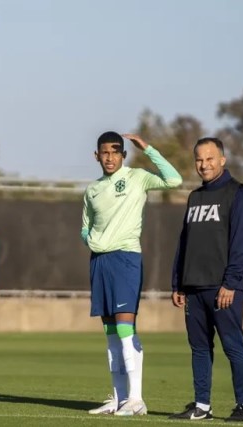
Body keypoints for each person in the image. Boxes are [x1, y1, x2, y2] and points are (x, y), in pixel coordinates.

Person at [82, 131, 183, 416]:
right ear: (96, 156)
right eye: (105, 152)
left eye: (115, 152)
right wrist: (90, 240)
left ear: (124, 155)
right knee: (111, 334)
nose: (110, 157)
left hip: (126, 259)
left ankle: (137, 399)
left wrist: (148, 149)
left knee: (126, 330)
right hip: (99, 262)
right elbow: (85, 225)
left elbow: (174, 180)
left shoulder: (137, 177)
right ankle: (119, 398)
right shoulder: (92, 189)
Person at [169, 137, 243, 422]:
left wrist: (231, 283)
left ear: (222, 160)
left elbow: (241, 243)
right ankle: (202, 406)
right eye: (199, 159)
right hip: (194, 286)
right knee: (199, 348)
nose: (204, 165)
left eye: (209, 159)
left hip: (224, 288)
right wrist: (178, 282)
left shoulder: (240, 194)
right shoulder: (195, 197)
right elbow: (185, 242)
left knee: (233, 346)